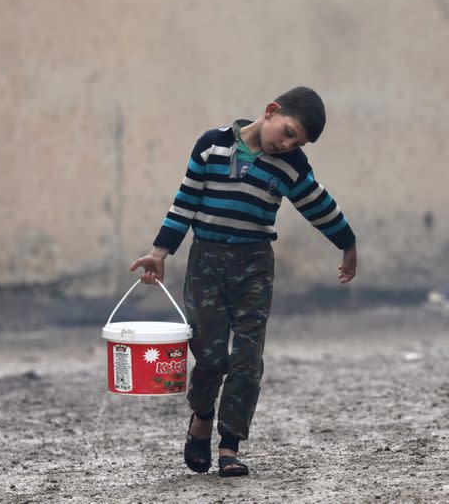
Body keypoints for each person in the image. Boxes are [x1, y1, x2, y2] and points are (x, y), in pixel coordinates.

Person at [129, 87, 357, 477]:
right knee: (211, 356)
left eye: (296, 142)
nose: (287, 145)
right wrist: (159, 252)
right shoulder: (211, 146)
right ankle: (201, 416)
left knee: (248, 359)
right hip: (207, 264)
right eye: (287, 132)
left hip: (254, 267)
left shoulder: (292, 166)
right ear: (270, 111)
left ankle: (230, 443)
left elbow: (318, 204)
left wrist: (347, 243)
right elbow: (184, 202)